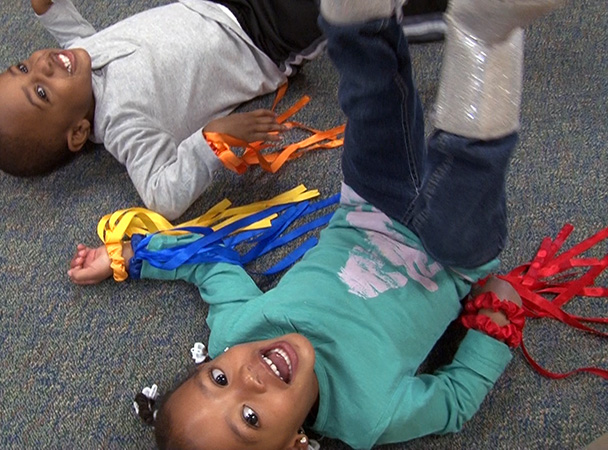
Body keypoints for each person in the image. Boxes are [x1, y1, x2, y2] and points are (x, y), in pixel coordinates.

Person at [68, 0, 562, 447]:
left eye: (218, 379)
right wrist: (494, 327)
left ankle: (357, 19)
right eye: (250, 418)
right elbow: (453, 403)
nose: (250, 379)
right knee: (469, 165)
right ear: (295, 446)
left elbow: (211, 262)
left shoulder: (236, 332)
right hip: (451, 258)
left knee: (373, 105)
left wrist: (129, 257)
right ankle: (486, 38)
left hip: (369, 208)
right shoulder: (370, 418)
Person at [0, 0, 447, 220]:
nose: (41, 65)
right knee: (349, 9)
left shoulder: (75, 60)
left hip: (221, 3)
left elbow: (69, 37)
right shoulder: (121, 124)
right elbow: (161, 194)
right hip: (261, 41)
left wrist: (49, 11)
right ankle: (455, 11)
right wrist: (211, 139)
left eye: (22, 66)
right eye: (41, 92)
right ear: (78, 134)